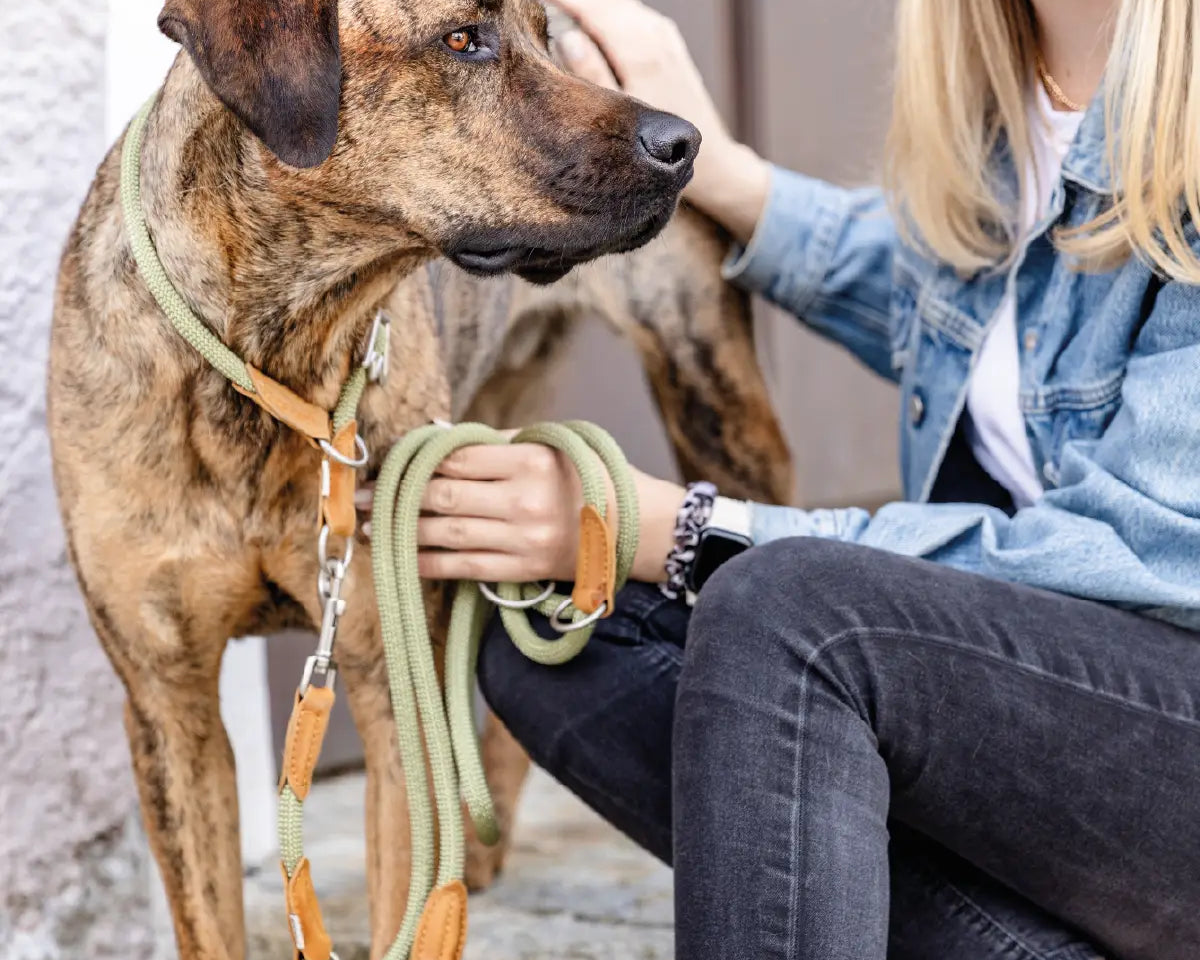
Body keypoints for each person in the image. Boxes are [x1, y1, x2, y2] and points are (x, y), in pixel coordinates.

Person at [404, 1, 1200, 957]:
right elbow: (951, 304)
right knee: (552, 626)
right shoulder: (1015, 89)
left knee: (794, 611)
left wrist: (674, 525)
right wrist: (730, 176)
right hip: (1072, 752)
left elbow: (1139, 557)